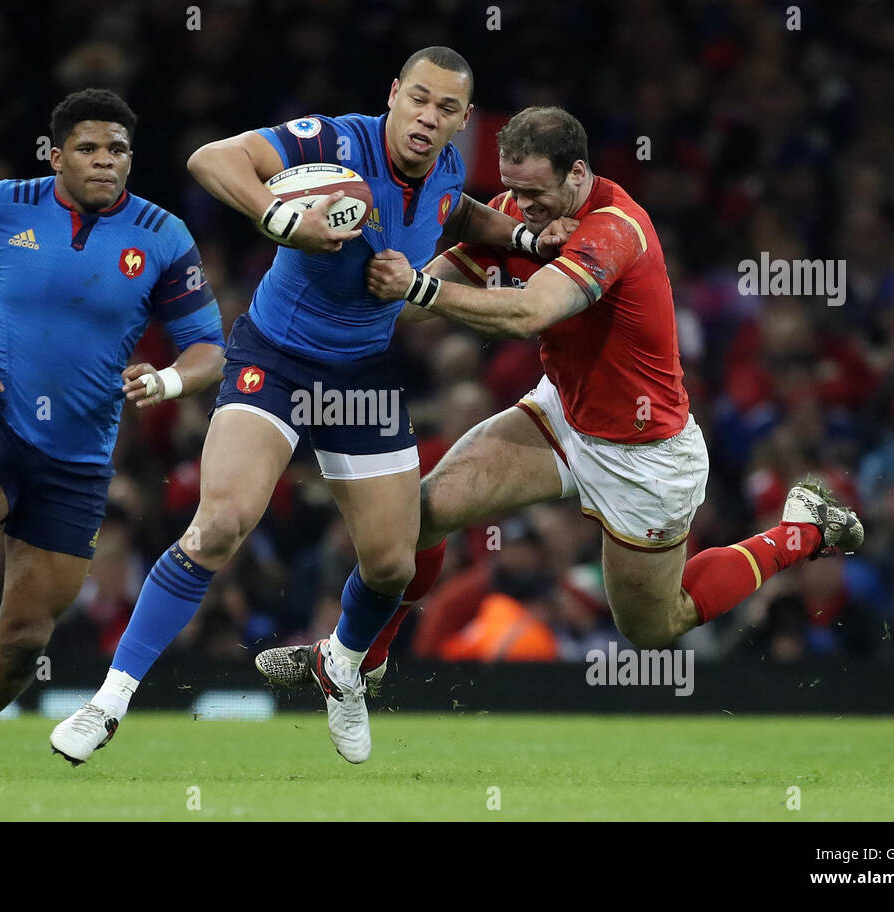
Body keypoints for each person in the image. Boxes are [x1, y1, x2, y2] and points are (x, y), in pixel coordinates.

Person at [52, 47, 560, 766]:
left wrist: (523, 238)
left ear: (463, 120)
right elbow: (210, 158)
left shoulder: (447, 165)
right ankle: (108, 700)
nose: (427, 117)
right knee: (220, 525)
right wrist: (281, 219)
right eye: (418, 99)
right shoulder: (336, 140)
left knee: (392, 564)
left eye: (446, 109)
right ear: (393, 93)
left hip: (360, 377)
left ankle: (342, 668)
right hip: (276, 360)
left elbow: (461, 211)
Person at [256, 105, 863, 694]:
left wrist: (415, 285)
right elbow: (424, 298)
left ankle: (803, 531)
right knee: (426, 514)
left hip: (645, 454)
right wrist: (357, 261)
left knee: (655, 625)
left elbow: (529, 312)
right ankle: (361, 662)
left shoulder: (616, 228)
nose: (522, 208)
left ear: (578, 174)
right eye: (513, 191)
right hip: (562, 416)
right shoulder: (519, 214)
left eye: (535, 194)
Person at [0, 88, 226, 772]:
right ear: (56, 156)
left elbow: (210, 348)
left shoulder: (163, 235)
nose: (104, 162)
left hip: (79, 460)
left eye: (117, 150)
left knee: (27, 639)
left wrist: (170, 379)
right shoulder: (1, 205)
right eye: (87, 149)